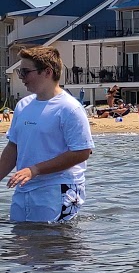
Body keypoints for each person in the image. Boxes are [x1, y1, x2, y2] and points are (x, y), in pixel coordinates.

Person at [3, 46, 93, 223]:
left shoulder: (69, 108)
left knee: (53, 244)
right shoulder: (23, 106)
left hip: (58, 189)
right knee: (19, 244)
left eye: (25, 72)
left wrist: (35, 169)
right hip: (24, 188)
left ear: (47, 72)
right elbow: (13, 147)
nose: (21, 77)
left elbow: (82, 152)